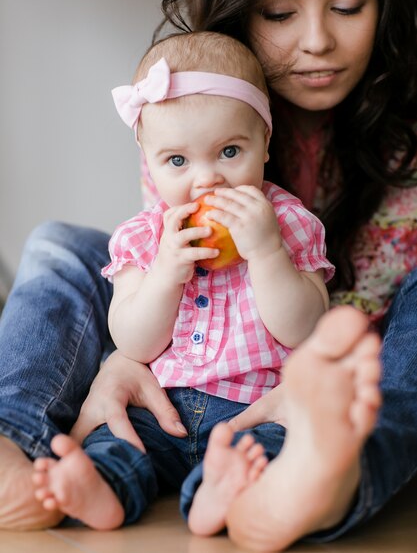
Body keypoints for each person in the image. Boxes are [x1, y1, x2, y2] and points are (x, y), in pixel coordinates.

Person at [0, 0, 414, 549]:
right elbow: (156, 298)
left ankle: (329, 478)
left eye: (348, 6)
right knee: (58, 243)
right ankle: (14, 444)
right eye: (279, 11)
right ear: (242, 8)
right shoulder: (188, 105)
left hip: (350, 357)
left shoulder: (392, 133)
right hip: (189, 356)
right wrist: (122, 360)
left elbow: (337, 317)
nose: (317, 41)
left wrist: (301, 370)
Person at [31, 30, 334, 530]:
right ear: (148, 164)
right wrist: (166, 274)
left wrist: (265, 251)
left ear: (265, 144)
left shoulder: (288, 224)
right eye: (177, 160)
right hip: (160, 408)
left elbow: (304, 328)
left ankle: (226, 496)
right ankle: (100, 489)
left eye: (229, 151)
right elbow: (132, 340)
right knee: (118, 441)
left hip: (253, 412)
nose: (206, 179)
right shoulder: (145, 238)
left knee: (269, 455)